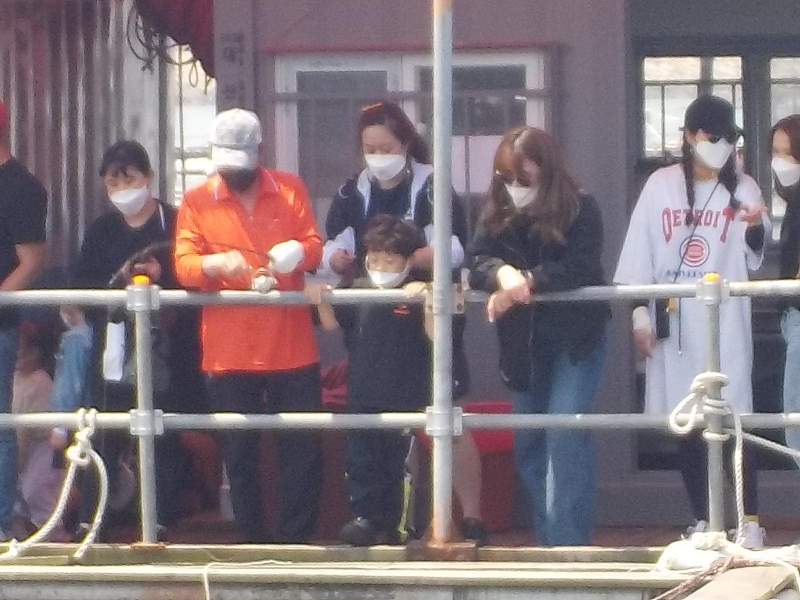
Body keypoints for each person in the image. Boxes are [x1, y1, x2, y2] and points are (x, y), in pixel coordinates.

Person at [320, 101, 486, 543]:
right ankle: (388, 517)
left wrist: (410, 260)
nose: (378, 156)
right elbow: (332, 244)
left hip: (425, 310)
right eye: (370, 148)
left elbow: (455, 247)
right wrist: (337, 259)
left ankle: (470, 516)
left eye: (386, 147)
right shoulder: (350, 192)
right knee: (381, 419)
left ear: (407, 144)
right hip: (373, 317)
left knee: (443, 413)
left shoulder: (432, 186)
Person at [615, 95, 769, 548]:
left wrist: (755, 227)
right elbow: (638, 257)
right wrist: (639, 316)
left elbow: (754, 254)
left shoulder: (744, 186)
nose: (719, 145)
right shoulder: (659, 186)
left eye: (727, 138)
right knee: (686, 419)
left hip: (726, 322)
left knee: (735, 419)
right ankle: (703, 518)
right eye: (710, 136)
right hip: (675, 321)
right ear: (688, 136)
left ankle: (749, 520)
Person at [174, 108, 324, 543]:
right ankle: (252, 537)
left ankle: (296, 540)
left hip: (291, 345)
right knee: (238, 452)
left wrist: (299, 252)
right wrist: (214, 263)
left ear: (259, 151)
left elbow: (315, 245)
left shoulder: (290, 188)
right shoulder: (196, 200)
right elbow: (183, 266)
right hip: (228, 351)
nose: (234, 173)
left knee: (302, 446)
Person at [469, 126, 610, 546]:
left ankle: (567, 547)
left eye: (524, 179)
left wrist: (526, 282)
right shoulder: (496, 210)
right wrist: (502, 274)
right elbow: (476, 260)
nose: (514, 187)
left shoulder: (581, 207)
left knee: (564, 432)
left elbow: (582, 266)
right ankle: (550, 540)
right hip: (522, 344)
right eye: (506, 178)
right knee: (529, 442)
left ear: (547, 173)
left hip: (575, 339)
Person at [72, 140, 197, 539]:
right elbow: (83, 286)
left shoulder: (176, 223)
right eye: (113, 181)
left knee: (163, 430)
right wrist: (117, 285)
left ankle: (159, 517)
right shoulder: (101, 231)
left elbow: (194, 278)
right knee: (105, 429)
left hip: (168, 347)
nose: (122, 188)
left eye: (129, 178)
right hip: (113, 344)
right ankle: (92, 517)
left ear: (149, 177)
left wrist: (164, 276)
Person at [308, 215, 431, 546]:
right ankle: (364, 518)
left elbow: (435, 335)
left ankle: (400, 526)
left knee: (399, 465)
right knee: (361, 460)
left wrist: (429, 299)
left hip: (404, 397)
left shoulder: (416, 291)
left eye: (390, 260)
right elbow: (332, 324)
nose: (380, 267)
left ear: (408, 261)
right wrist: (321, 297)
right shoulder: (357, 289)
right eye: (374, 259)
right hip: (362, 393)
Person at [0, 100, 48, 541]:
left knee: (0, 424)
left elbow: (31, 262)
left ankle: (1, 523)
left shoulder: (21, 188)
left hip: (1, 325)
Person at [11, 323, 66, 540]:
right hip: (17, 445)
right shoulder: (14, 377)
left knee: (33, 492)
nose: (18, 353)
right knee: (15, 500)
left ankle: (57, 537)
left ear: (36, 352)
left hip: (43, 445)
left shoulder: (40, 381)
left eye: (23, 348)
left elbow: (26, 429)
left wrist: (18, 464)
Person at [771, 115, 800, 467]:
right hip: (791, 315)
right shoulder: (793, 201)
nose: (779, 162)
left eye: (788, 153)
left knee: (796, 423)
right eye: (775, 152)